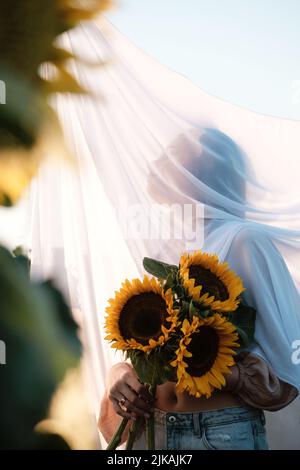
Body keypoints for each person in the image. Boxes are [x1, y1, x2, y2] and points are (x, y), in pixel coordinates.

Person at [98, 128, 300, 450]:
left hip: (217, 434)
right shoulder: (164, 251)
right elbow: (144, 348)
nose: (158, 158)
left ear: (208, 168)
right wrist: (119, 375)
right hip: (151, 430)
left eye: (174, 150)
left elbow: (290, 367)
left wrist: (218, 369)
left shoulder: (245, 242)